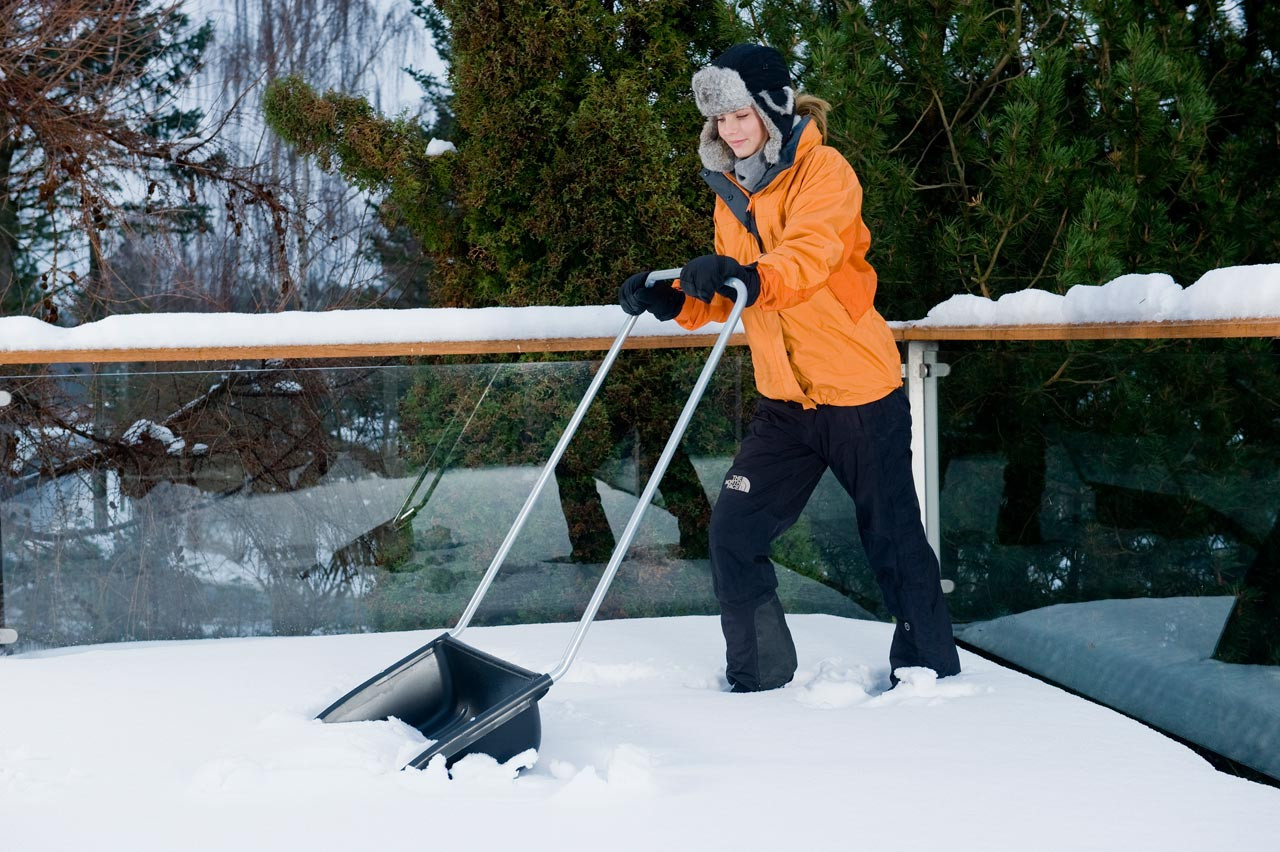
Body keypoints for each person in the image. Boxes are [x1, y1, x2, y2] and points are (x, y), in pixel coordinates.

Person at [619, 43, 961, 692]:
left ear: (774, 106)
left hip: (859, 393)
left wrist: (743, 274)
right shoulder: (730, 193)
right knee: (733, 533)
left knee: (892, 541)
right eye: (721, 120)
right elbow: (736, 296)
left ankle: (930, 678)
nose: (733, 130)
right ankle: (758, 680)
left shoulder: (825, 173)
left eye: (742, 114)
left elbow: (803, 262)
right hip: (785, 404)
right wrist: (674, 300)